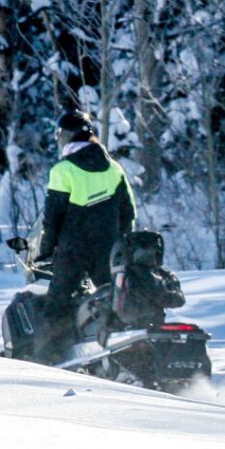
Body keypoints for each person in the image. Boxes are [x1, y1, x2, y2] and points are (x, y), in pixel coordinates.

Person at [33, 109, 136, 357]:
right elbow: (128, 211)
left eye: (61, 135)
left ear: (67, 137)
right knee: (112, 303)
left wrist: (45, 251)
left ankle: (45, 362)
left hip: (72, 252)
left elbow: (52, 216)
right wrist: (122, 244)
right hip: (108, 251)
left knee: (57, 305)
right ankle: (122, 354)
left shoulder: (63, 170)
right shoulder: (114, 168)